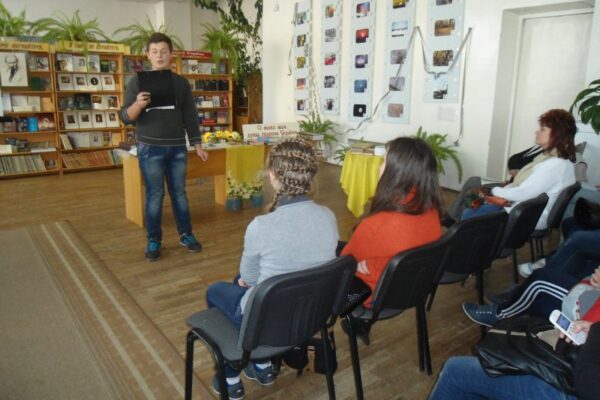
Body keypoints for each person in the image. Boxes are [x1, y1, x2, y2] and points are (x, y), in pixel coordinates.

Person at [205, 138, 339, 400]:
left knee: (215, 291)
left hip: (266, 318)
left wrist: (246, 282)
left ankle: (231, 373)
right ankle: (262, 364)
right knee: (244, 282)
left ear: (273, 177)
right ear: (311, 176)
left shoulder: (261, 226)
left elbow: (248, 278)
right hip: (309, 314)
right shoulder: (328, 216)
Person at [119, 33, 208, 262]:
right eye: (155, 51)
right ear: (148, 55)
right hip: (150, 149)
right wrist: (138, 104)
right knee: (155, 195)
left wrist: (197, 145)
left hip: (177, 148)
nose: (159, 55)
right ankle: (153, 240)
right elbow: (125, 117)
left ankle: (186, 235)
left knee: (179, 194)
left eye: (164, 51)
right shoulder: (137, 82)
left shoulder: (181, 83)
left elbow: (190, 115)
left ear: (171, 54)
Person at [341, 137, 443, 305]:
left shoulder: (376, 225)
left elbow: (346, 263)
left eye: (383, 161)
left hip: (373, 295)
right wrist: (379, 263)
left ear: (395, 172)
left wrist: (373, 265)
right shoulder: (432, 212)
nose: (379, 167)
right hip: (413, 288)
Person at [429, 315, 600, 399]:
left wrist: (595, 332)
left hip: (573, 389)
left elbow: (587, 383)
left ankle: (499, 310)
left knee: (455, 371)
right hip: (576, 368)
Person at [461, 109, 577, 230]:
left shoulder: (553, 164)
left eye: (543, 129)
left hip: (525, 213)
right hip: (524, 204)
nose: (537, 132)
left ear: (557, 134)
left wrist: (494, 191)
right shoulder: (559, 159)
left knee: (469, 210)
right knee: (474, 195)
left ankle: (469, 231)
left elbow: (522, 193)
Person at [463, 266, 600, 327]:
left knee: (539, 282)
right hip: (591, 292)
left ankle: (499, 315)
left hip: (586, 310)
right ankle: (513, 301)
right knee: (536, 298)